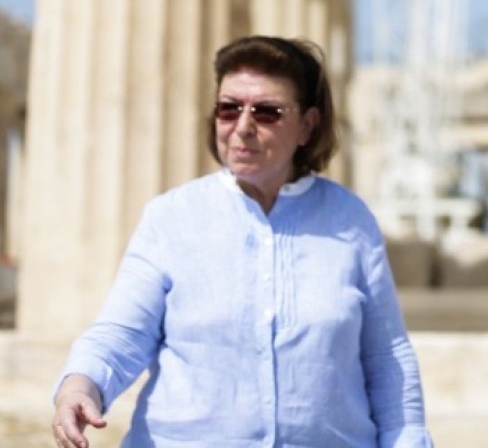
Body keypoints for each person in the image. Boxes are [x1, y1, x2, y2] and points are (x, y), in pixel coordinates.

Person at [51, 35, 433, 447]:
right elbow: (121, 334)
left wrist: (409, 439)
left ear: (307, 126)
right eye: (229, 108)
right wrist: (80, 387)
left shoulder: (351, 220)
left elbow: (386, 358)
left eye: (267, 112)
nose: (243, 126)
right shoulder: (171, 217)